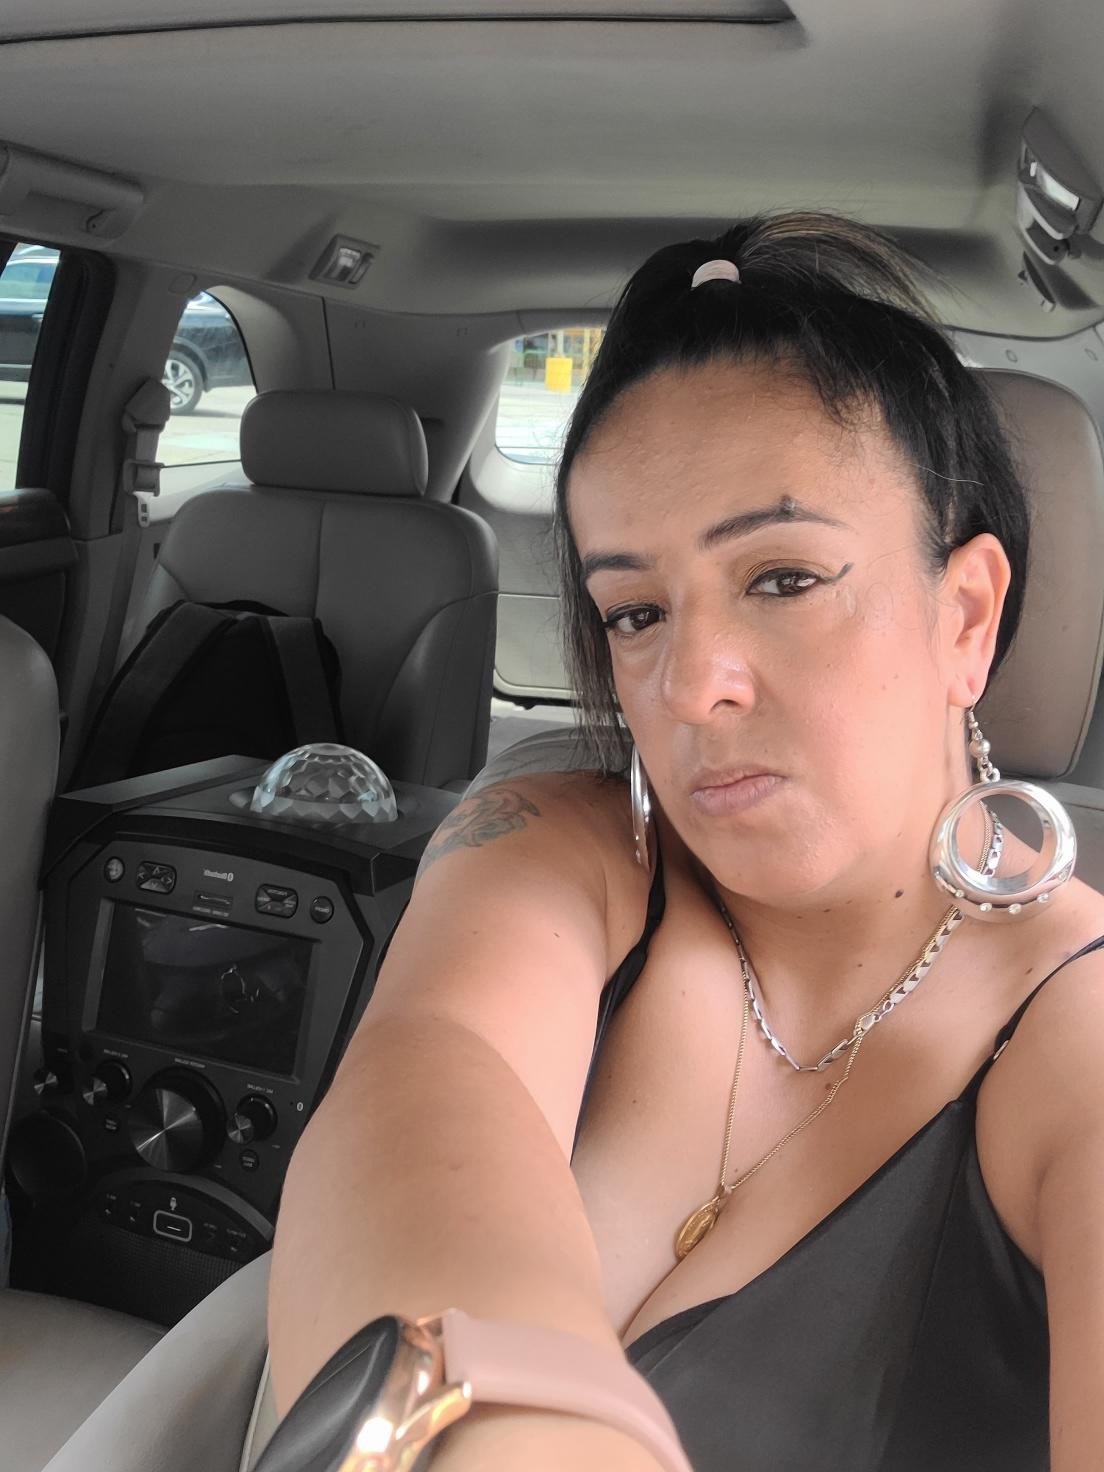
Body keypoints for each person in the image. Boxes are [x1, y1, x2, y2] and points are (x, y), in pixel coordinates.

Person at [266, 212, 1104, 1471]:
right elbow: (426, 1081)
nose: (691, 685)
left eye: (783, 578)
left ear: (967, 616)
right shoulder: (554, 844)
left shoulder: (1077, 1031)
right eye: (636, 611)